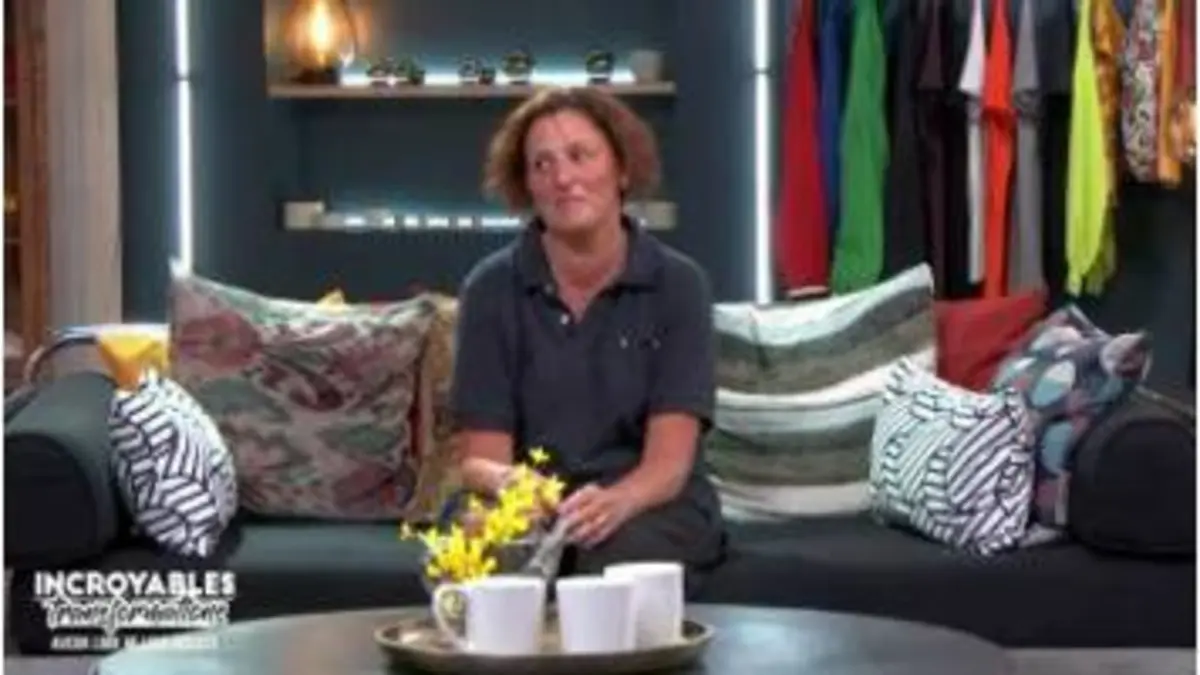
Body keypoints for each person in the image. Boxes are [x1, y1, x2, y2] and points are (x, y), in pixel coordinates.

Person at [448, 86, 727, 597]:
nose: (563, 178)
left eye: (580, 155)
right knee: (478, 548)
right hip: (532, 502)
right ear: (527, 186)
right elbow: (481, 457)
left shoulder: (679, 285)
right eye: (543, 164)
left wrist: (616, 502)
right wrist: (511, 488)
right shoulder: (490, 288)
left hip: (646, 500)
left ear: (621, 170)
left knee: (606, 563)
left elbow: (668, 465)